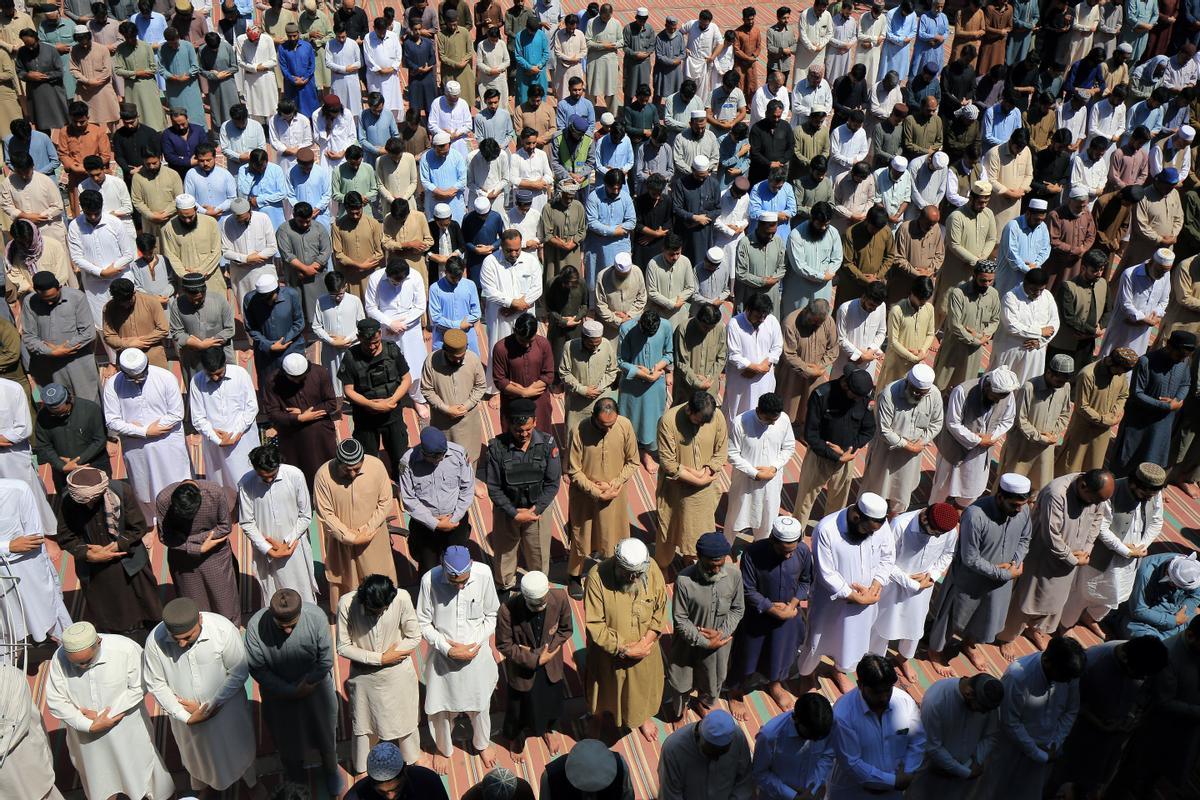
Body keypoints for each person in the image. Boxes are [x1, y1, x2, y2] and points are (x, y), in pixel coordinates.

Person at [142, 598, 259, 796]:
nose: (181, 643)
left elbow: (238, 673)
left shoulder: (223, 631)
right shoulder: (155, 641)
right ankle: (202, 789)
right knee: (196, 758)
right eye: (175, 638)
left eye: (187, 637)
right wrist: (185, 716)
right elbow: (156, 683)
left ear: (200, 620)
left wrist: (210, 707)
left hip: (227, 713)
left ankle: (253, 784)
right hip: (187, 720)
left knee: (239, 751)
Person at [45, 624, 175, 800]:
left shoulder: (125, 649)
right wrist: (89, 725)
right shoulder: (60, 657)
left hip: (126, 728)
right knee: (99, 779)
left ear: (99, 642)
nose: (81, 667)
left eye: (86, 661)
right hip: (86, 736)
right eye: (75, 663)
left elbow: (139, 686)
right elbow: (56, 700)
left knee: (140, 769)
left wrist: (106, 717)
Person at [999, 469, 1115, 655]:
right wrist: (1071, 558)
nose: (1096, 504)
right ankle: (1008, 636)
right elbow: (1051, 535)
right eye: (1094, 500)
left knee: (1054, 600)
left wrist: (1086, 549)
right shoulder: (1057, 493)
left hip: (1074, 558)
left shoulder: (1096, 496)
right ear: (1083, 486)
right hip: (1043, 554)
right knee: (1027, 597)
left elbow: (1097, 520)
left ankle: (1035, 630)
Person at [245, 589, 341, 795]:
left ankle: (331, 770)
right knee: (287, 742)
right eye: (283, 626)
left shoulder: (315, 617)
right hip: (278, 696)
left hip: (315, 690)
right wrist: (289, 691)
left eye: (293, 625)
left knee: (325, 734)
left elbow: (325, 659)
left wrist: (310, 683)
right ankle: (296, 780)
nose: (288, 631)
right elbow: (258, 669)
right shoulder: (255, 626)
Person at [1050, 636, 1170, 797]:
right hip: (1076, 738)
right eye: (1139, 675)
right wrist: (1098, 722)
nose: (1142, 679)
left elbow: (1142, 695)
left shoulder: (1139, 659)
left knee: (1090, 784)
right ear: (1125, 659)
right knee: (1058, 779)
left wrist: (1134, 715)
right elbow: (1068, 705)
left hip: (1107, 743)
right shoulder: (1092, 664)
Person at [795, 492, 891, 695]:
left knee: (852, 642)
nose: (870, 534)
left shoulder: (878, 527)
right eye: (867, 529)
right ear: (856, 516)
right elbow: (825, 572)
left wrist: (876, 584)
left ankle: (839, 670)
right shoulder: (826, 529)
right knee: (816, 641)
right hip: (830, 602)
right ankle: (807, 674)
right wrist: (852, 595)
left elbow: (887, 556)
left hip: (866, 601)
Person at [417, 545, 500, 772]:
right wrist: (447, 648)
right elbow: (423, 622)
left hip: (476, 656)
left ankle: (482, 744)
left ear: (471, 565)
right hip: (443, 660)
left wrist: (474, 644)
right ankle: (444, 749)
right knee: (440, 708)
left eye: (464, 581)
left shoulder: (483, 574)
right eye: (455, 583)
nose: (460, 586)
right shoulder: (429, 580)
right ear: (444, 570)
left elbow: (492, 615)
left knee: (481, 704)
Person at [1059, 462, 1167, 635]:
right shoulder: (1112, 491)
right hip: (1105, 555)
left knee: (1114, 594)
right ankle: (1065, 625)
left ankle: (1091, 618)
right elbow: (1101, 527)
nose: (1147, 498)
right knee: (1083, 592)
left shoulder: (1154, 494)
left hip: (1133, 556)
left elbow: (1156, 521)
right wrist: (1125, 550)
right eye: (1143, 493)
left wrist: (1141, 546)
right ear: (1133, 483)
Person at [55, 466, 161, 639]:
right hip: (95, 569)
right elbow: (65, 537)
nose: (88, 503)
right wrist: (87, 553)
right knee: (109, 614)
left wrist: (119, 545)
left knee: (148, 608)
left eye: (93, 498)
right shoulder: (69, 500)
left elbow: (138, 527)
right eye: (84, 500)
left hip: (130, 561)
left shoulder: (120, 491)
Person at [972, 636, 1084, 798]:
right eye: (1063, 677)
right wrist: (1038, 754)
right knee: (993, 792)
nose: (1066, 682)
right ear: (1047, 661)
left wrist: (1055, 742)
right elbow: (1010, 723)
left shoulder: (1069, 674)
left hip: (1046, 750)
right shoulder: (1017, 677)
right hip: (1010, 751)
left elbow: (1071, 710)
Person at [336, 574, 423, 775]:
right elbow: (343, 646)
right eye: (373, 610)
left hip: (398, 673)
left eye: (382, 610)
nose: (377, 615)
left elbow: (414, 636)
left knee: (406, 719)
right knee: (364, 727)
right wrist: (381, 659)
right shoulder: (347, 603)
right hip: (364, 676)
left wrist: (395, 654)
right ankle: (363, 769)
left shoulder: (401, 598)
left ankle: (412, 759)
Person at [583, 537, 666, 743]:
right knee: (602, 692)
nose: (633, 577)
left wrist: (645, 643)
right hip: (608, 655)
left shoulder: (652, 569)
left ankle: (642, 717)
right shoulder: (596, 577)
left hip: (645, 651)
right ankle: (597, 718)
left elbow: (660, 610)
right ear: (617, 564)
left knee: (641, 691)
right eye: (628, 573)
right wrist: (624, 650)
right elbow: (596, 624)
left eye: (638, 574)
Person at [868, 502, 961, 684]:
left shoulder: (947, 529)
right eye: (933, 533)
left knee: (914, 628)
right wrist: (910, 583)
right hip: (893, 587)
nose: (936, 537)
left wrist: (932, 577)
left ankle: (903, 659)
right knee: (883, 626)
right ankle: (876, 661)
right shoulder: (900, 525)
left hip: (923, 588)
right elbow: (885, 561)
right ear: (924, 517)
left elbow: (948, 553)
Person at [103, 347, 191, 525]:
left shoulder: (165, 378)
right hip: (137, 447)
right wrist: (143, 432)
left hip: (167, 443)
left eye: (140, 376)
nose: (137, 381)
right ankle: (151, 523)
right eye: (132, 378)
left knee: (175, 482)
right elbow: (112, 421)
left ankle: (181, 517)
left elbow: (176, 414)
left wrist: (154, 428)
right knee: (144, 488)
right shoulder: (112, 384)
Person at [662, 532, 744, 723]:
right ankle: (680, 713)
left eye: (720, 564)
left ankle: (703, 703)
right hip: (687, 645)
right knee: (681, 682)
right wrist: (704, 641)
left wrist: (721, 633)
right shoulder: (684, 580)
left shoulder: (734, 575)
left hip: (719, 646)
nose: (716, 570)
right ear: (699, 557)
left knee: (713, 679)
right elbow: (680, 619)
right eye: (711, 565)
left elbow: (738, 608)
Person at [495, 570, 572, 761]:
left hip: (550, 667)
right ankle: (516, 736)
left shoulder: (560, 598)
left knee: (549, 701)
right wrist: (536, 658)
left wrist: (547, 654)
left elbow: (565, 630)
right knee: (519, 708)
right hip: (522, 670)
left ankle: (546, 729)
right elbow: (504, 644)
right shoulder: (507, 610)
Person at [827, 654, 924, 797]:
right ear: (860, 685)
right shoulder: (843, 715)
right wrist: (894, 781)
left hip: (893, 793)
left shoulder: (904, 701)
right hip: (852, 793)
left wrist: (909, 769)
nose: (884, 697)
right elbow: (852, 763)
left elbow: (918, 740)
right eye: (877, 692)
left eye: (887, 690)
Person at [654, 393, 728, 573]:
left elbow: (721, 452)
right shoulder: (668, 421)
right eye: (698, 421)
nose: (701, 426)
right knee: (669, 530)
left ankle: (690, 557)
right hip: (675, 489)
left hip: (705, 490)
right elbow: (668, 463)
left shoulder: (717, 416)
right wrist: (698, 478)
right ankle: (661, 566)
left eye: (704, 423)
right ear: (689, 410)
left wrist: (708, 471)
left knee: (699, 530)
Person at [929, 366, 1020, 508]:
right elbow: (952, 423)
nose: (997, 401)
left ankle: (960, 510)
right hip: (955, 448)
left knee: (971, 489)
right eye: (995, 397)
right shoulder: (962, 391)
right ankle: (933, 512)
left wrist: (991, 437)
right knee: (942, 487)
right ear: (987, 386)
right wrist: (976, 440)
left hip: (981, 453)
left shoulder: (1006, 395)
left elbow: (1007, 420)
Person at [860, 363, 942, 515]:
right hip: (886, 452)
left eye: (922, 393)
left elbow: (936, 423)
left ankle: (893, 518)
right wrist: (908, 446)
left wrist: (921, 441)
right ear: (907, 382)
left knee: (902, 493)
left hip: (911, 456)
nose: (918, 395)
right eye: (915, 391)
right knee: (877, 488)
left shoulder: (934, 395)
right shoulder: (889, 394)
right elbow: (884, 430)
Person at [907, 673, 1004, 798]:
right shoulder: (936, 700)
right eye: (981, 709)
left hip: (967, 773)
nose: (984, 713)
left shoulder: (987, 703)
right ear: (969, 693)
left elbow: (991, 734)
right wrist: (964, 771)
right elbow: (933, 747)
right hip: (931, 773)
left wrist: (977, 760)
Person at [0, 478, 72, 644]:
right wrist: (8, 546)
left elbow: (33, 540)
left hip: (28, 572)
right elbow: (17, 546)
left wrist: (11, 548)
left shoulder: (18, 490)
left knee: (51, 617)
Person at [1112, 330, 1195, 472]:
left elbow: (1186, 383)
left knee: (1151, 463)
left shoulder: (1184, 361)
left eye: (1185, 356)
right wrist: (1165, 406)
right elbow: (1136, 393)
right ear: (1169, 346)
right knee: (1127, 463)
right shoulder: (1146, 361)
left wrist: (1178, 399)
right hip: (1139, 423)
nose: (1182, 359)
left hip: (1162, 424)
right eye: (1180, 355)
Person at [188, 348, 259, 504]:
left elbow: (251, 407)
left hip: (242, 439)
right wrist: (216, 438)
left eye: (219, 373)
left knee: (247, 475)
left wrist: (236, 432)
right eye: (210, 374)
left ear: (225, 363)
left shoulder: (240, 374)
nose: (215, 377)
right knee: (222, 481)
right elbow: (198, 418)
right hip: (215, 442)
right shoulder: (197, 381)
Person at [261, 354, 339, 489]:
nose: (297, 382)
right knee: (299, 476)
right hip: (293, 437)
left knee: (326, 471)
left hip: (320, 434)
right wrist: (298, 418)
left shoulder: (319, 372)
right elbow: (272, 413)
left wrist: (304, 413)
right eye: (293, 378)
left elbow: (331, 403)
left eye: (301, 378)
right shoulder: (272, 381)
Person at [995, 355, 1075, 488]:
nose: (1060, 384)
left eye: (1064, 381)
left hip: (1045, 446)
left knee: (1039, 485)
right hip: (1023, 445)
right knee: (1011, 483)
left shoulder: (1064, 387)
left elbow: (1065, 413)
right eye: (1058, 380)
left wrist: (1052, 433)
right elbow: (1020, 419)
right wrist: (1039, 437)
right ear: (1048, 373)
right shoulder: (1029, 388)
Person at [21, 273, 99, 403]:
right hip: (49, 368)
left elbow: (89, 333)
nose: (50, 302)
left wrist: (63, 349)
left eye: (53, 297)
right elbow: (29, 337)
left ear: (60, 288)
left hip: (78, 365)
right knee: (55, 403)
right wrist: (51, 352)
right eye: (45, 299)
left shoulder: (77, 298)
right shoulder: (29, 302)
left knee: (87, 403)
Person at [420, 326, 486, 467]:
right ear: (444, 350)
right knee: (444, 463)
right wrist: (446, 409)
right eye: (453, 357)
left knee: (469, 462)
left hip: (468, 425)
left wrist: (466, 406)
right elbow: (427, 389)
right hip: (443, 424)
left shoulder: (473, 360)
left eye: (461, 357)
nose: (457, 361)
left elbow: (480, 387)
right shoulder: (431, 361)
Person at [32, 383, 109, 494]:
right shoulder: (43, 417)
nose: (57, 415)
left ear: (70, 399)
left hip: (94, 466)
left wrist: (77, 460)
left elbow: (100, 440)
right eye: (53, 413)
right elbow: (44, 446)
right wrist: (62, 466)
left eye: (61, 412)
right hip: (63, 474)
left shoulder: (91, 409)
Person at [657, 710, 753, 799]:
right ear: (698, 735)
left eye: (722, 752)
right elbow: (670, 794)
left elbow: (745, 780)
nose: (716, 758)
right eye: (711, 751)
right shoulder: (673, 750)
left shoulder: (737, 737)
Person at [1102, 247, 1174, 357]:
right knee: (1112, 357)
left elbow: (1164, 300)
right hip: (1123, 326)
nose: (1161, 275)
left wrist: (1157, 314)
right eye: (1159, 270)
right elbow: (1126, 304)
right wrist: (1142, 319)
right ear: (1151, 263)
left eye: (1165, 272)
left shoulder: (1165, 275)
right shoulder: (1130, 274)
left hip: (1143, 331)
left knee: (1133, 360)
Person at [493, 312, 555, 432]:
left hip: (539, 401)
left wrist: (529, 391)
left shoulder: (543, 344)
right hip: (513, 402)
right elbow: (499, 380)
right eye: (522, 340)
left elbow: (548, 375)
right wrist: (523, 392)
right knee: (514, 437)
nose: (526, 345)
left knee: (540, 436)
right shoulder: (501, 348)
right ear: (514, 331)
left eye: (530, 341)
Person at [1122, 551, 1200, 639]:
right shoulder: (1146, 574)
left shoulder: (1194, 571)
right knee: (1147, 642)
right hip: (1143, 617)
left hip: (1174, 612)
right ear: (1167, 575)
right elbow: (1138, 611)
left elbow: (1195, 597)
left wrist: (1183, 612)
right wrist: (1173, 620)